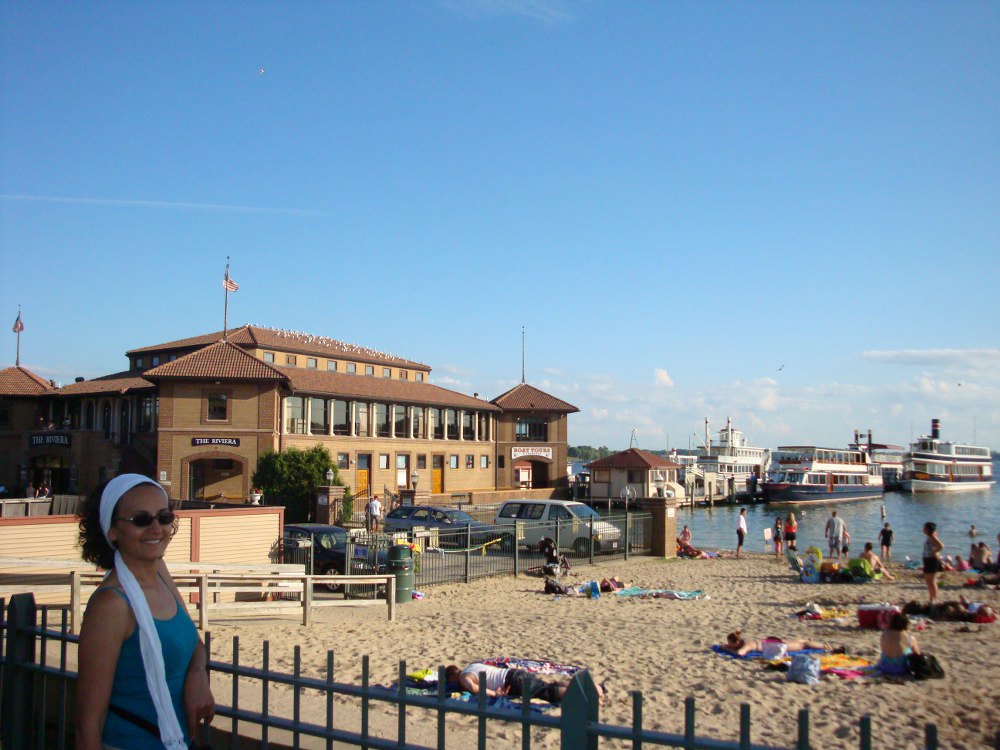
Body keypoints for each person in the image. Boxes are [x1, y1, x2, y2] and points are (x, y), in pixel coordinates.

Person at [76, 474, 214, 749]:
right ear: (112, 530)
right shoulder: (111, 605)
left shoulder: (160, 572)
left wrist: (197, 674)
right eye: (141, 520)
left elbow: (194, 643)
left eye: (164, 517)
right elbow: (88, 725)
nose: (156, 528)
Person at [446, 662, 603, 704]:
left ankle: (589, 692)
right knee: (546, 686)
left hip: (511, 682)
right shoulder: (472, 666)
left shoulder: (464, 678)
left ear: (452, 677)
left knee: (546, 692)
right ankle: (588, 687)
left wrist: (495, 693)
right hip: (512, 673)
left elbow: (473, 687)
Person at [719, 631, 838, 657]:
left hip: (774, 645)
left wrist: (726, 650)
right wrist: (729, 647)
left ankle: (825, 647)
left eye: (730, 643)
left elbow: (740, 653)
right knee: (800, 641)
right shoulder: (747, 641)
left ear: (737, 643)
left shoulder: (747, 645)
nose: (728, 644)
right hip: (772, 642)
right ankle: (819, 644)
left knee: (803, 645)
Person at [877, 612, 919, 676]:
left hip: (884, 667)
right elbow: (917, 654)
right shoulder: (909, 637)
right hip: (901, 669)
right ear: (905, 623)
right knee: (909, 648)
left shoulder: (884, 634)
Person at [922, 521, 944, 604]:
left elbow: (941, 546)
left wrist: (935, 552)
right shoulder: (930, 536)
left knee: (931, 581)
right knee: (929, 581)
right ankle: (931, 598)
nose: (923, 529)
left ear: (927, 529)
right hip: (928, 560)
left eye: (924, 527)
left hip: (932, 560)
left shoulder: (932, 537)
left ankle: (934, 599)